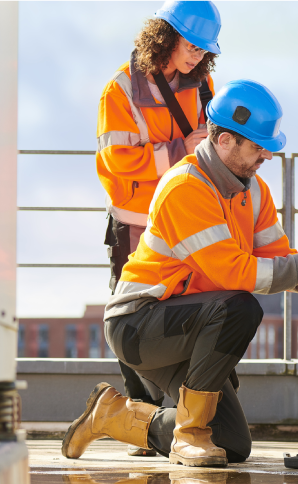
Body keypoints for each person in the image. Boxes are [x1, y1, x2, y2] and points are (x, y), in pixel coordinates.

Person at [62, 80, 298, 466]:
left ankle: (113, 415)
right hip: (140, 324)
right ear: (225, 140)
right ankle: (189, 435)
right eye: (258, 147)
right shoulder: (185, 187)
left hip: (191, 326)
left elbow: (277, 261)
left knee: (231, 445)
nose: (267, 156)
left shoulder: (254, 190)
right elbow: (234, 273)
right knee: (241, 307)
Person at [94, 0, 221, 456]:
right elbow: (116, 163)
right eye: (191, 45)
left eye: (205, 50)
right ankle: (138, 419)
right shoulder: (121, 89)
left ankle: (169, 419)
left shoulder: (203, 82)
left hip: (184, 221)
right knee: (133, 320)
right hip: (136, 225)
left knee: (182, 313)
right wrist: (180, 148)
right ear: (165, 36)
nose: (197, 56)